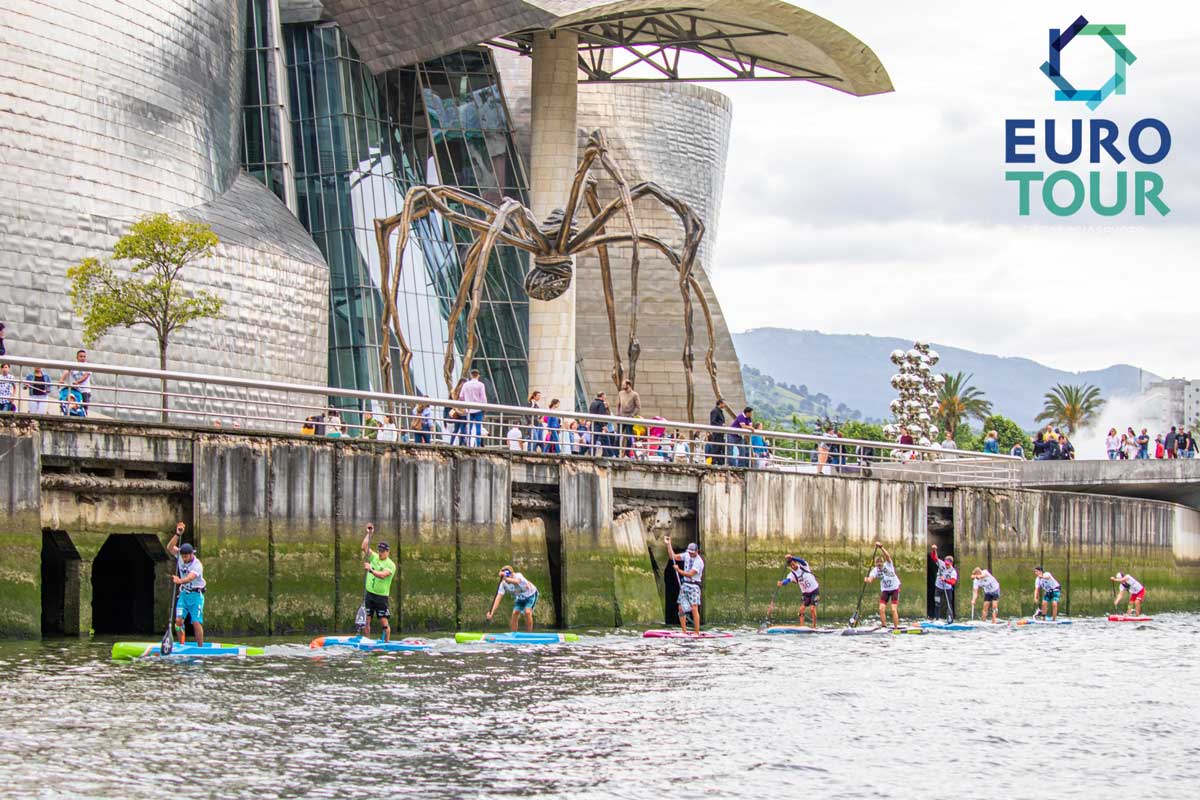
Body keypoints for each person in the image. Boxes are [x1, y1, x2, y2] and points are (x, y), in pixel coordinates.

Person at [166, 523, 205, 646]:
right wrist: (178, 534)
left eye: (186, 556)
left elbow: (189, 578)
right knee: (178, 621)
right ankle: (181, 645)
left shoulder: (197, 565)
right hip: (184, 594)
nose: (184, 559)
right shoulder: (180, 556)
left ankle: (200, 648)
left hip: (196, 595)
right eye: (182, 556)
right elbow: (170, 547)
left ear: (192, 554)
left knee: (195, 622)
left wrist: (179, 581)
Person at [360, 524, 395, 641]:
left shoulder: (391, 565)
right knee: (367, 621)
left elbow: (383, 575)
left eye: (383, 551)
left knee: (384, 623)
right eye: (379, 550)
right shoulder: (374, 557)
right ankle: (367, 642)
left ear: (388, 552)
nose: (380, 553)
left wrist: (371, 569)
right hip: (369, 595)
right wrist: (369, 534)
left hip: (381, 598)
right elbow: (364, 547)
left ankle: (386, 643)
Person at [666, 536, 704, 634]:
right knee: (681, 608)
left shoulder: (699, 562)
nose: (690, 554)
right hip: (685, 585)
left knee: (694, 608)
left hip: (694, 586)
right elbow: (672, 557)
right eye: (689, 552)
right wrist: (668, 544)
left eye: (692, 552)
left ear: (697, 551)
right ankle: (684, 631)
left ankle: (697, 632)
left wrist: (678, 570)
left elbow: (691, 574)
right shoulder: (686, 555)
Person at [487, 566, 539, 631]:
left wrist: (505, 578)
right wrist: (492, 612)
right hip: (520, 598)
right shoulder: (503, 584)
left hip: (531, 595)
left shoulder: (518, 575)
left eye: (507, 576)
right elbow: (498, 599)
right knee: (515, 613)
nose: (505, 580)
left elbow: (517, 582)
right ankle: (513, 634)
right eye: (503, 577)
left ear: (512, 574)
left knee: (527, 612)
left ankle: (529, 634)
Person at [864, 542, 901, 628]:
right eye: (877, 562)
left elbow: (887, 556)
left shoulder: (888, 564)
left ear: (883, 562)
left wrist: (881, 547)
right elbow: (871, 579)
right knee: (881, 609)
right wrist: (867, 580)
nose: (879, 564)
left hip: (895, 588)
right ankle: (884, 626)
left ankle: (896, 628)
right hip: (885, 590)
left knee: (893, 609)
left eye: (880, 562)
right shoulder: (875, 570)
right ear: (876, 564)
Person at [778, 555, 819, 628]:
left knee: (812, 609)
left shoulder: (804, 566)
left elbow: (801, 560)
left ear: (796, 562)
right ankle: (802, 627)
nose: (793, 566)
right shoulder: (792, 574)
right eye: (791, 566)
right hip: (806, 593)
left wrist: (792, 557)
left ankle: (814, 626)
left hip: (814, 590)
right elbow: (787, 580)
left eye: (793, 564)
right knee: (801, 609)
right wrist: (782, 583)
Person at [459, 369, 488, 447]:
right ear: (478, 375)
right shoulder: (481, 385)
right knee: (478, 427)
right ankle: (478, 444)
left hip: (469, 409)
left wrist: (466, 400)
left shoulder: (466, 385)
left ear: (471, 375)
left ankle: (468, 443)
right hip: (478, 408)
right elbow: (483, 398)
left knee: (469, 427)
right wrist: (484, 408)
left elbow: (461, 397)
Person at [929, 545, 957, 620]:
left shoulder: (953, 571)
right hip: (938, 587)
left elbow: (953, 582)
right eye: (945, 563)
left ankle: (949, 618)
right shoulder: (941, 563)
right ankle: (937, 619)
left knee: (949, 604)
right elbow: (934, 557)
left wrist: (945, 580)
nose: (946, 565)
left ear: (951, 563)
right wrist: (934, 550)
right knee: (937, 603)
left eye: (948, 564)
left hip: (947, 589)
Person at [62, 350, 92, 416]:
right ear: (77, 357)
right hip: (76, 391)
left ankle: (84, 417)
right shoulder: (74, 365)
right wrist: (62, 379)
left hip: (85, 391)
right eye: (81, 356)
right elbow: (67, 371)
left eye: (84, 356)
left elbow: (85, 376)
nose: (83, 358)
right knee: (74, 406)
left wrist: (77, 382)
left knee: (84, 407)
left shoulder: (88, 366)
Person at [616, 380, 640, 457]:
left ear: (628, 385)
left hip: (629, 418)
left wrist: (632, 415)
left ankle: (627, 453)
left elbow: (638, 407)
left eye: (624, 385)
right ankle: (616, 453)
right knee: (617, 436)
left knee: (629, 437)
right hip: (621, 417)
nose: (623, 386)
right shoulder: (620, 393)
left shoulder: (634, 395)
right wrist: (618, 414)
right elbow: (619, 404)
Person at [706, 398, 728, 465]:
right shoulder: (715, 411)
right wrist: (721, 425)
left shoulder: (719, 411)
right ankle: (714, 462)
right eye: (724, 403)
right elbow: (713, 422)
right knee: (716, 447)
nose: (725, 405)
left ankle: (719, 462)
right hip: (717, 433)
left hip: (720, 433)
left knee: (720, 448)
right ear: (720, 403)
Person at [588, 391, 610, 456]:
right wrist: (604, 425)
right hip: (598, 425)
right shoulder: (601, 404)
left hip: (593, 424)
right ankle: (609, 455)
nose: (605, 397)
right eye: (605, 396)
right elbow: (601, 415)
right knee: (605, 440)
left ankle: (592, 453)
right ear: (602, 396)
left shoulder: (592, 403)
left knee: (593, 440)